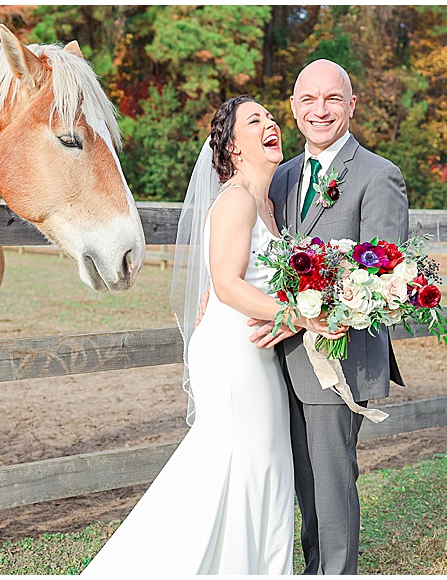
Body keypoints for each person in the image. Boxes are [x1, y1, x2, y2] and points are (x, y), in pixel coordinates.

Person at [83, 95, 342, 575]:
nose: (270, 124)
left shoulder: (267, 203)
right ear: (233, 146)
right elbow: (226, 284)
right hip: (231, 355)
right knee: (238, 461)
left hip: (257, 352)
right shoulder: (237, 200)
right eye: (255, 120)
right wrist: (300, 316)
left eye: (269, 117)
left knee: (265, 463)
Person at [248, 59, 410, 574]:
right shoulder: (282, 176)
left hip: (336, 359)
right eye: (309, 100)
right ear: (294, 108)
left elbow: (384, 278)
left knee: (332, 480)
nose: (321, 110)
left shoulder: (378, 176)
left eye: (333, 99)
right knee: (301, 479)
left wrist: (299, 316)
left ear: (351, 106)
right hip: (277, 360)